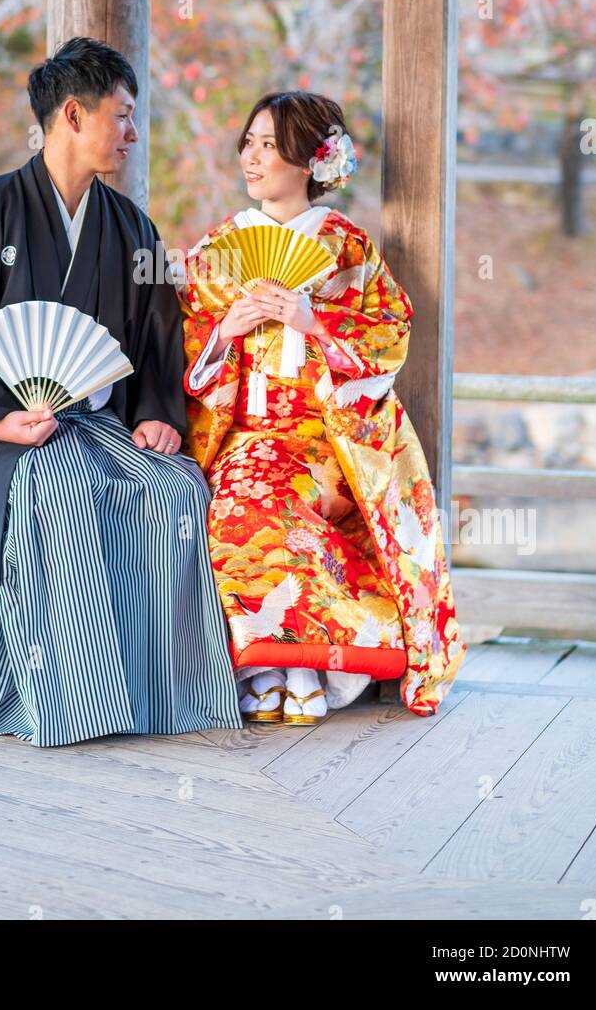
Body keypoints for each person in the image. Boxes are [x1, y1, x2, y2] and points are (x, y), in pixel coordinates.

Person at [0, 37, 242, 746]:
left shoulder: (130, 227)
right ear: (73, 114)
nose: (133, 133)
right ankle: (73, 700)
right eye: (124, 115)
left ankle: (159, 694)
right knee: (65, 491)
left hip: (94, 424)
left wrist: (160, 416)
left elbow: (154, 342)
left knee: (175, 488)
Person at [178, 91, 467, 723]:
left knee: (282, 497)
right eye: (248, 143)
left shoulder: (346, 247)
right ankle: (264, 666)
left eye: (268, 145)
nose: (251, 158)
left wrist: (314, 320)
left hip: (327, 438)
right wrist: (225, 332)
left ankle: (308, 665)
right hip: (245, 432)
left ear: (311, 159)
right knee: (239, 496)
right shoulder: (219, 248)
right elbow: (185, 340)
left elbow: (391, 332)